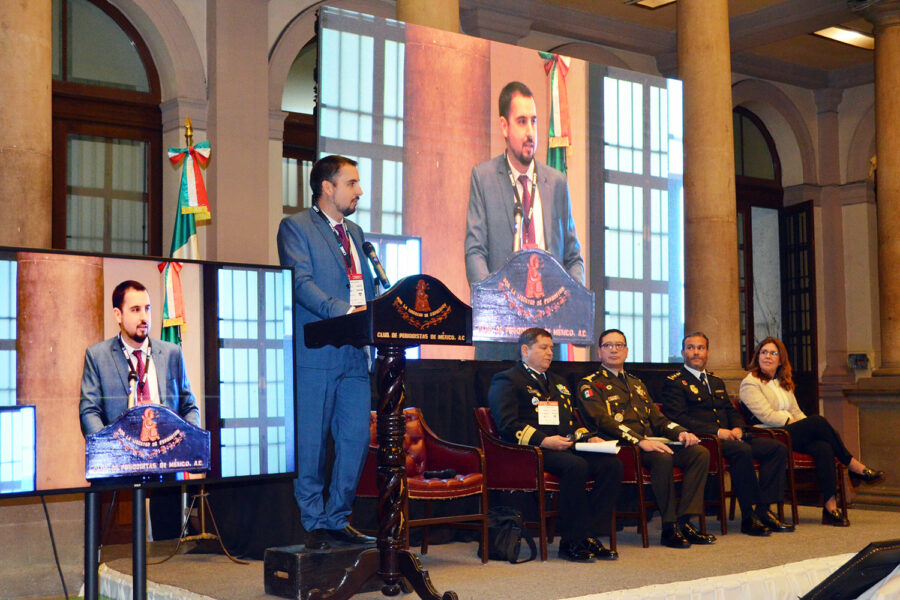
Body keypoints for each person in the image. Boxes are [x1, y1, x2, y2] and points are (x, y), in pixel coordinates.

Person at [277, 155, 377, 549]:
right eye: (352, 183)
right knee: (312, 446)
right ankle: (315, 523)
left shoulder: (355, 231)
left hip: (354, 354)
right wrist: (343, 312)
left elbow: (364, 288)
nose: (360, 191)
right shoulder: (295, 228)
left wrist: (371, 320)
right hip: (316, 354)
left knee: (354, 441)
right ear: (327, 187)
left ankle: (338, 517)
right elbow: (301, 283)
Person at [465, 81, 583, 360]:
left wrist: (571, 301)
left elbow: (573, 257)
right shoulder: (483, 177)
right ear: (504, 127)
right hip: (500, 334)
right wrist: (494, 305)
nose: (530, 132)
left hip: (548, 334)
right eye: (521, 122)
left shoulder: (556, 182)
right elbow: (475, 251)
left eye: (534, 122)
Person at [488, 328, 622, 562]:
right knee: (576, 466)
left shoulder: (558, 383)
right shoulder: (507, 380)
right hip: (530, 451)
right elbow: (507, 425)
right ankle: (570, 541)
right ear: (525, 350)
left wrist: (587, 437)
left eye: (551, 348)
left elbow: (570, 423)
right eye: (543, 348)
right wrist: (544, 440)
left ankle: (588, 534)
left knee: (611, 465)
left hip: (563, 446)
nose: (550, 353)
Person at [577, 329, 715, 549]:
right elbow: (604, 422)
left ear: (627, 351)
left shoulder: (636, 383)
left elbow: (658, 418)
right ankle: (669, 527)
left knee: (699, 453)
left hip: (651, 443)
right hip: (622, 449)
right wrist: (639, 441)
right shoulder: (590, 384)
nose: (614, 350)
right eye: (608, 345)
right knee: (662, 458)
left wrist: (680, 432)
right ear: (599, 352)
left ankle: (685, 521)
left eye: (619, 345)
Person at [740, 337, 885, 526]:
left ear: (780, 359)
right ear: (757, 356)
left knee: (823, 447)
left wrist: (802, 424)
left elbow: (796, 411)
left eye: (773, 353)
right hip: (770, 435)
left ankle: (830, 507)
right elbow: (766, 415)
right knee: (817, 421)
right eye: (764, 352)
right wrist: (797, 423)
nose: (768, 356)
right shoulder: (750, 382)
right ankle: (853, 466)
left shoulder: (782, 383)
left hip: (789, 431)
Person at [660, 332, 793, 536]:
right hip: (704, 441)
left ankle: (764, 510)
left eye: (701, 348)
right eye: (691, 348)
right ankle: (748, 517)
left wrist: (738, 427)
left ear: (708, 352)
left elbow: (730, 411)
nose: (696, 352)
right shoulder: (674, 382)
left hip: (731, 436)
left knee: (776, 448)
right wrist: (718, 431)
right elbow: (679, 418)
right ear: (682, 352)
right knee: (742, 451)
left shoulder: (715, 381)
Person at [80, 280, 199, 436]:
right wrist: (109, 448)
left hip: (167, 455)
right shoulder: (97, 357)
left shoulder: (172, 354)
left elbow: (189, 407)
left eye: (147, 309)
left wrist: (187, 440)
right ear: (118, 315)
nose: (144, 317)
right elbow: (89, 412)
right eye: (135, 310)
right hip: (120, 456)